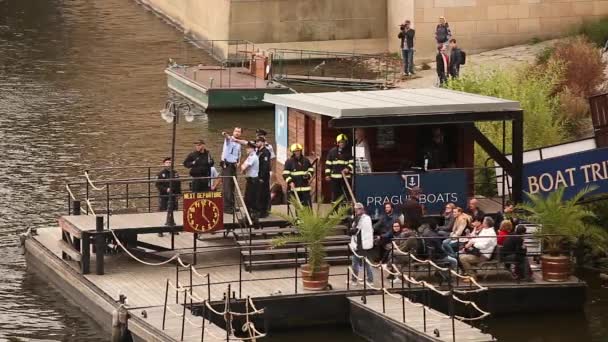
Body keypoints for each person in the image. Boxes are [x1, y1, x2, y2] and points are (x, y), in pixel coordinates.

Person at [459, 217, 497, 281]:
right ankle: (470, 273)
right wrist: (471, 242)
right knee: (460, 254)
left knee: (463, 258)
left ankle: (473, 276)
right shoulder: (485, 230)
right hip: (478, 252)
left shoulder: (491, 233)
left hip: (483, 255)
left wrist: (473, 243)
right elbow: (478, 239)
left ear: (486, 224)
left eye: (483, 222)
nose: (482, 223)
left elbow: (483, 246)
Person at [349, 203, 374, 286]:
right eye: (355, 209)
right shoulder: (357, 218)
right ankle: (354, 280)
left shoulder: (365, 218)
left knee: (366, 263)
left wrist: (352, 230)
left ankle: (369, 280)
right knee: (355, 263)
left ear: (362, 209)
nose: (356, 210)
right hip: (358, 244)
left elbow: (355, 230)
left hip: (363, 244)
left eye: (358, 209)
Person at [156, 157, 181, 237]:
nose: (168, 164)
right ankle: (160, 229)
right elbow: (158, 185)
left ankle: (172, 228)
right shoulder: (161, 173)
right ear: (164, 164)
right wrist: (166, 189)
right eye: (167, 162)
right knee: (163, 211)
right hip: (164, 195)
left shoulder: (175, 173)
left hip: (173, 195)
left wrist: (178, 194)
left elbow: (178, 184)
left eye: (170, 162)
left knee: (172, 211)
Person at [283, 143, 314, 207]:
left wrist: (308, 175)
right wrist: (290, 182)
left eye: (298, 151)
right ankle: (298, 217)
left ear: (301, 151)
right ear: (293, 152)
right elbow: (285, 174)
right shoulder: (289, 162)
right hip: (295, 189)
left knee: (307, 206)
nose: (297, 152)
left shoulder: (306, 160)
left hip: (305, 188)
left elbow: (311, 169)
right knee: (298, 207)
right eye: (296, 151)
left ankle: (308, 217)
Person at [325, 134, 354, 203]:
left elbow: (352, 162)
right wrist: (327, 175)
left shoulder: (349, 152)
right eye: (340, 142)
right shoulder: (332, 152)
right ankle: (335, 211)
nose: (342, 144)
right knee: (335, 195)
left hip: (345, 178)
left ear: (346, 143)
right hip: (334, 178)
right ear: (337, 143)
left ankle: (347, 210)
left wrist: (348, 168)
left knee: (346, 195)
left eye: (343, 142)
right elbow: (328, 164)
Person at [221, 127, 242, 213]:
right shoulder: (229, 140)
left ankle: (232, 206)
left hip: (233, 166)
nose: (237, 133)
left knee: (233, 186)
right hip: (227, 165)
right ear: (233, 132)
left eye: (239, 132)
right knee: (227, 186)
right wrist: (225, 134)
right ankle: (226, 207)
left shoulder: (239, 144)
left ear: (240, 134)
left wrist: (239, 162)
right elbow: (227, 137)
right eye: (236, 131)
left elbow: (239, 154)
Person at [241, 141, 259, 217]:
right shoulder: (250, 156)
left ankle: (252, 214)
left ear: (252, 148)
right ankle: (248, 214)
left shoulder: (253, 157)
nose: (246, 149)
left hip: (253, 180)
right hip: (249, 179)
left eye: (248, 148)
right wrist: (243, 168)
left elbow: (244, 167)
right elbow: (242, 167)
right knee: (247, 198)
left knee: (250, 198)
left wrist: (243, 168)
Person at [256, 136, 272, 218]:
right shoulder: (258, 151)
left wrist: (261, 177)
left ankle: (264, 211)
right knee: (259, 193)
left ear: (262, 142)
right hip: (258, 176)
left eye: (258, 142)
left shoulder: (265, 152)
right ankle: (260, 210)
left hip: (264, 177)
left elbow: (265, 166)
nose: (256, 143)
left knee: (264, 193)